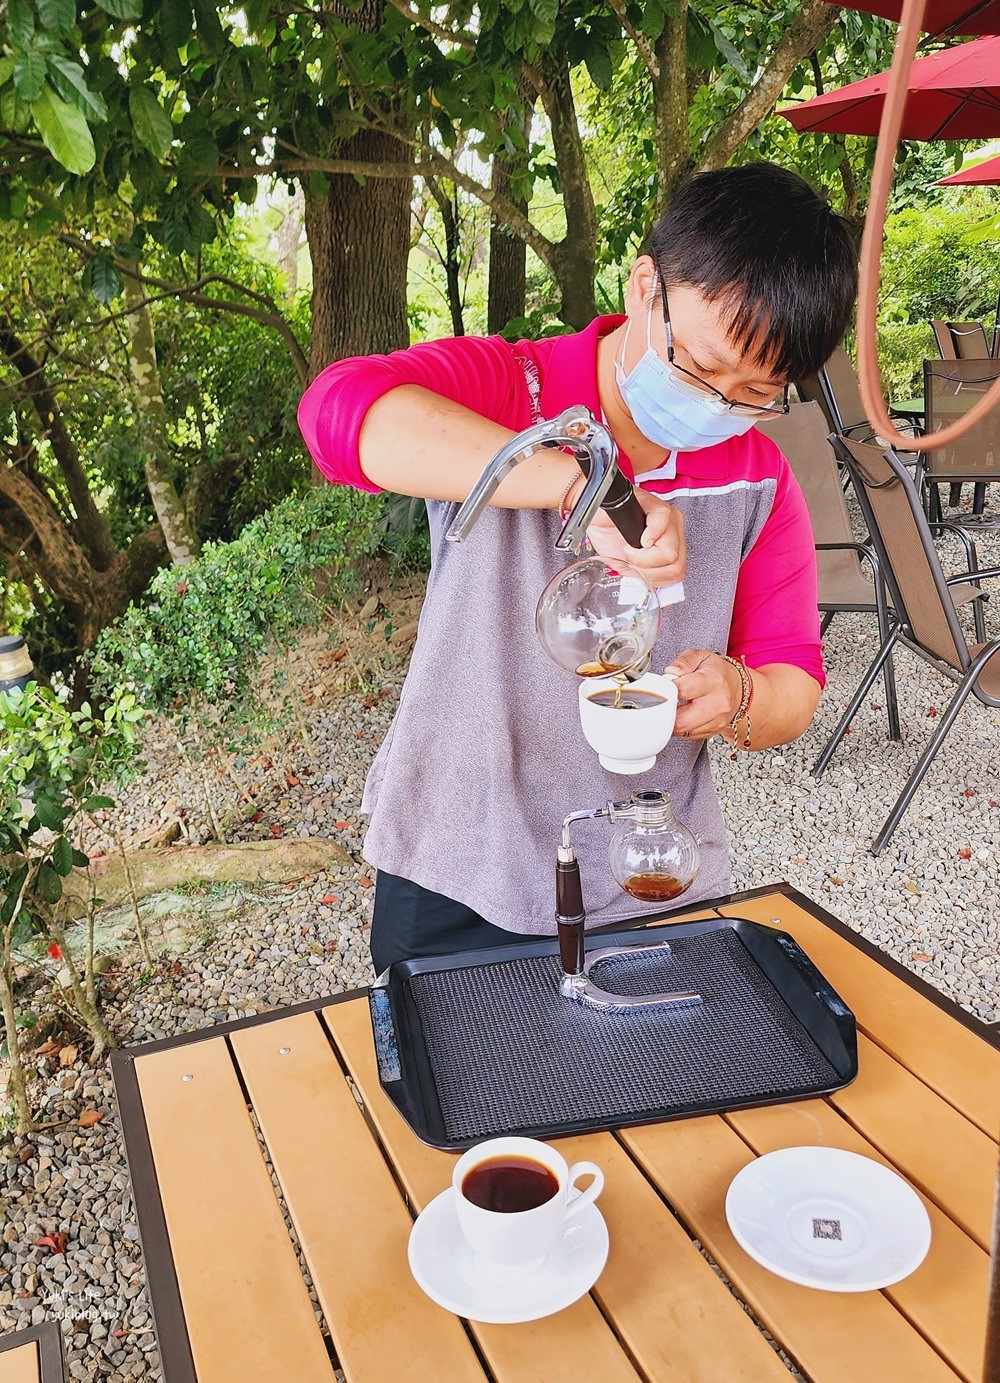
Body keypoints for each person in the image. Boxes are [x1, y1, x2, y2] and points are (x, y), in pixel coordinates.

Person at [298, 162, 858, 974]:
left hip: (648, 868)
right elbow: (337, 415)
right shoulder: (513, 389)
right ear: (644, 287)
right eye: (699, 367)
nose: (716, 404)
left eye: (753, 391)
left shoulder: (756, 479)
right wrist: (579, 484)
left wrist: (737, 694)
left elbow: (794, 684)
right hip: (457, 853)